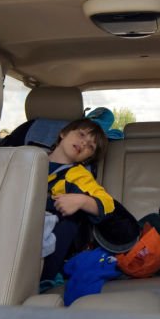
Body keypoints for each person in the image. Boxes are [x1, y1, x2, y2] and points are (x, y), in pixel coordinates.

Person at [39, 118, 116, 285]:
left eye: (90, 147)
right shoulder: (31, 157)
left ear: (88, 158)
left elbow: (109, 205)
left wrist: (82, 201)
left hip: (47, 244)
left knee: (72, 218)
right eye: (81, 134)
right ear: (63, 133)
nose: (83, 143)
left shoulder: (78, 175)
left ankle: (44, 278)